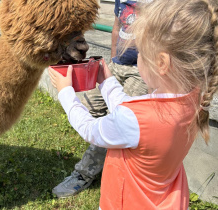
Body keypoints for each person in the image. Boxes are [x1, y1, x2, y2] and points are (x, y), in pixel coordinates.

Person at [49, 0, 218, 208]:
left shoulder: (136, 119)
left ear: (161, 63)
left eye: (140, 53)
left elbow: (90, 130)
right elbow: (132, 111)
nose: (137, 58)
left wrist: (66, 92)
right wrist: (107, 82)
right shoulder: (193, 99)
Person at [52, 0, 149, 198]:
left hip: (142, 70)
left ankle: (83, 173)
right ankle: (114, 150)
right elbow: (117, 28)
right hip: (118, 64)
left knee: (115, 124)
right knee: (93, 103)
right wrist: (114, 60)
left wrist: (65, 92)